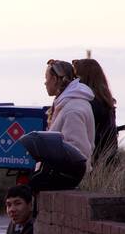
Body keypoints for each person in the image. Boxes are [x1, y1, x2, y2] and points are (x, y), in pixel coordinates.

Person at [29, 59, 95, 192]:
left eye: (46, 78)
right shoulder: (67, 104)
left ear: (54, 79)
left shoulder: (72, 110)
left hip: (68, 184)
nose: (45, 82)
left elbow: (77, 152)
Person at [72, 58, 118, 166]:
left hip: (95, 162)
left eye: (76, 77)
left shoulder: (90, 104)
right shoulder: (105, 101)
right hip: (109, 160)